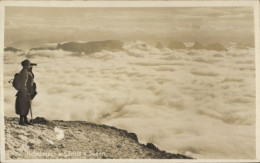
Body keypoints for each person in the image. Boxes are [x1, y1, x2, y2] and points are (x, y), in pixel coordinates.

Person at [15, 59, 35, 125]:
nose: (30, 66)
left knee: (26, 106)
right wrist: (25, 91)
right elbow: (23, 83)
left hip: (25, 91)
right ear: (26, 65)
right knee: (22, 106)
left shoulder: (26, 71)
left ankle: (25, 119)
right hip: (24, 92)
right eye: (29, 64)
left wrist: (31, 70)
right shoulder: (24, 72)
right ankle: (21, 121)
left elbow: (31, 79)